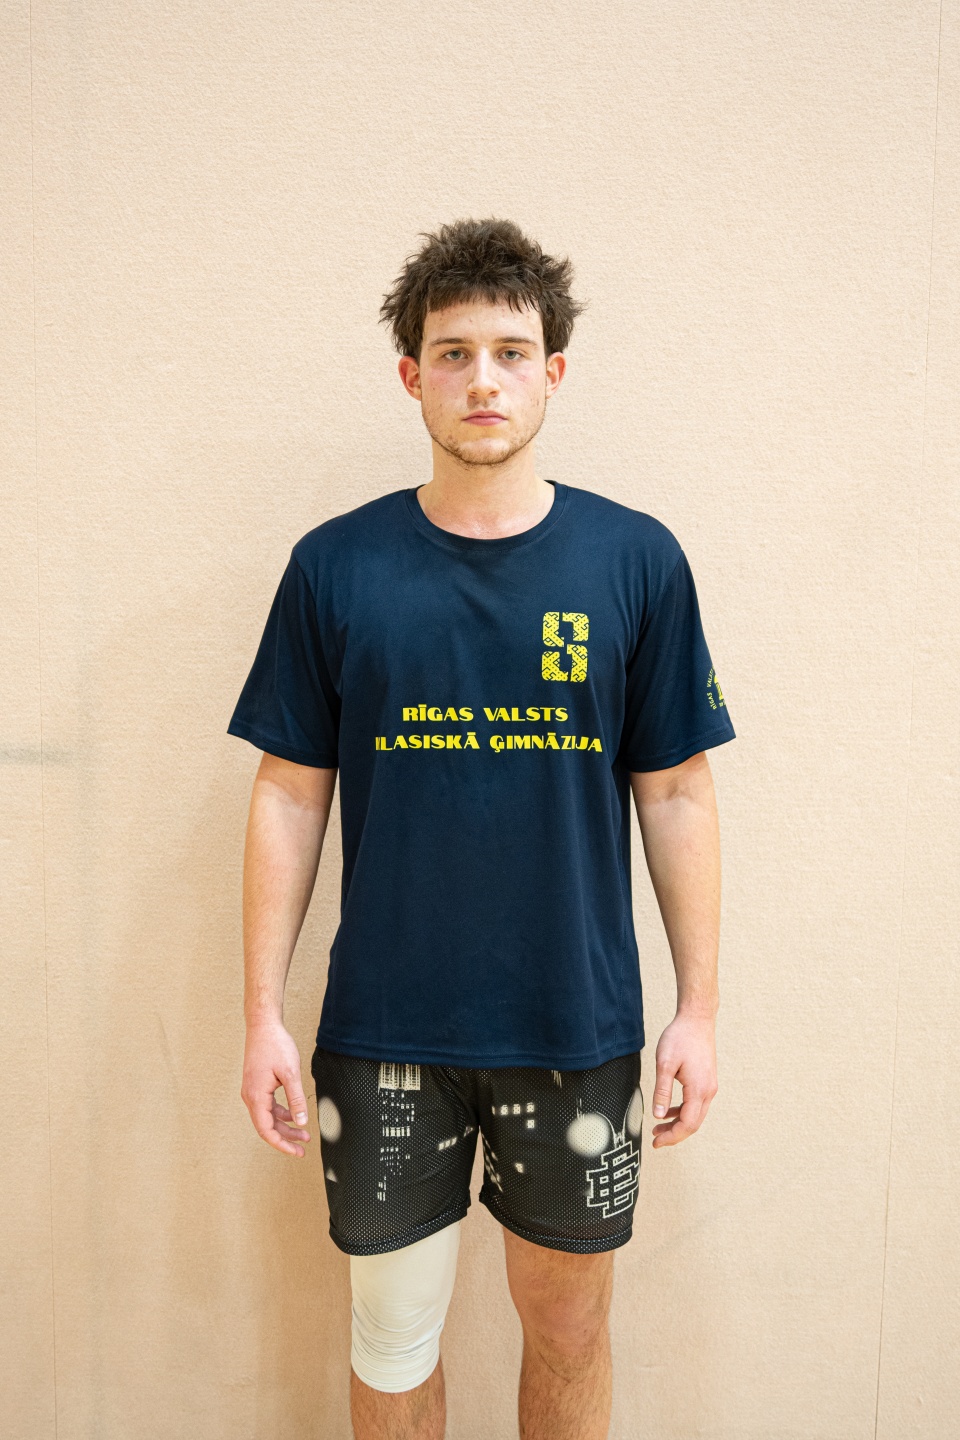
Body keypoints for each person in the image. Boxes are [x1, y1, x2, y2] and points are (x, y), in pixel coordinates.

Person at [229, 217, 735, 1440]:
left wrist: (700, 1009)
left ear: (553, 371)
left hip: (577, 1026)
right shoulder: (336, 567)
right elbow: (289, 793)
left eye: (510, 353)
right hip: (384, 1033)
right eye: (453, 354)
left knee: (568, 1329)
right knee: (393, 1332)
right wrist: (261, 1016)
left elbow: (675, 792)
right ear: (412, 376)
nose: (483, 380)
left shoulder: (636, 562)